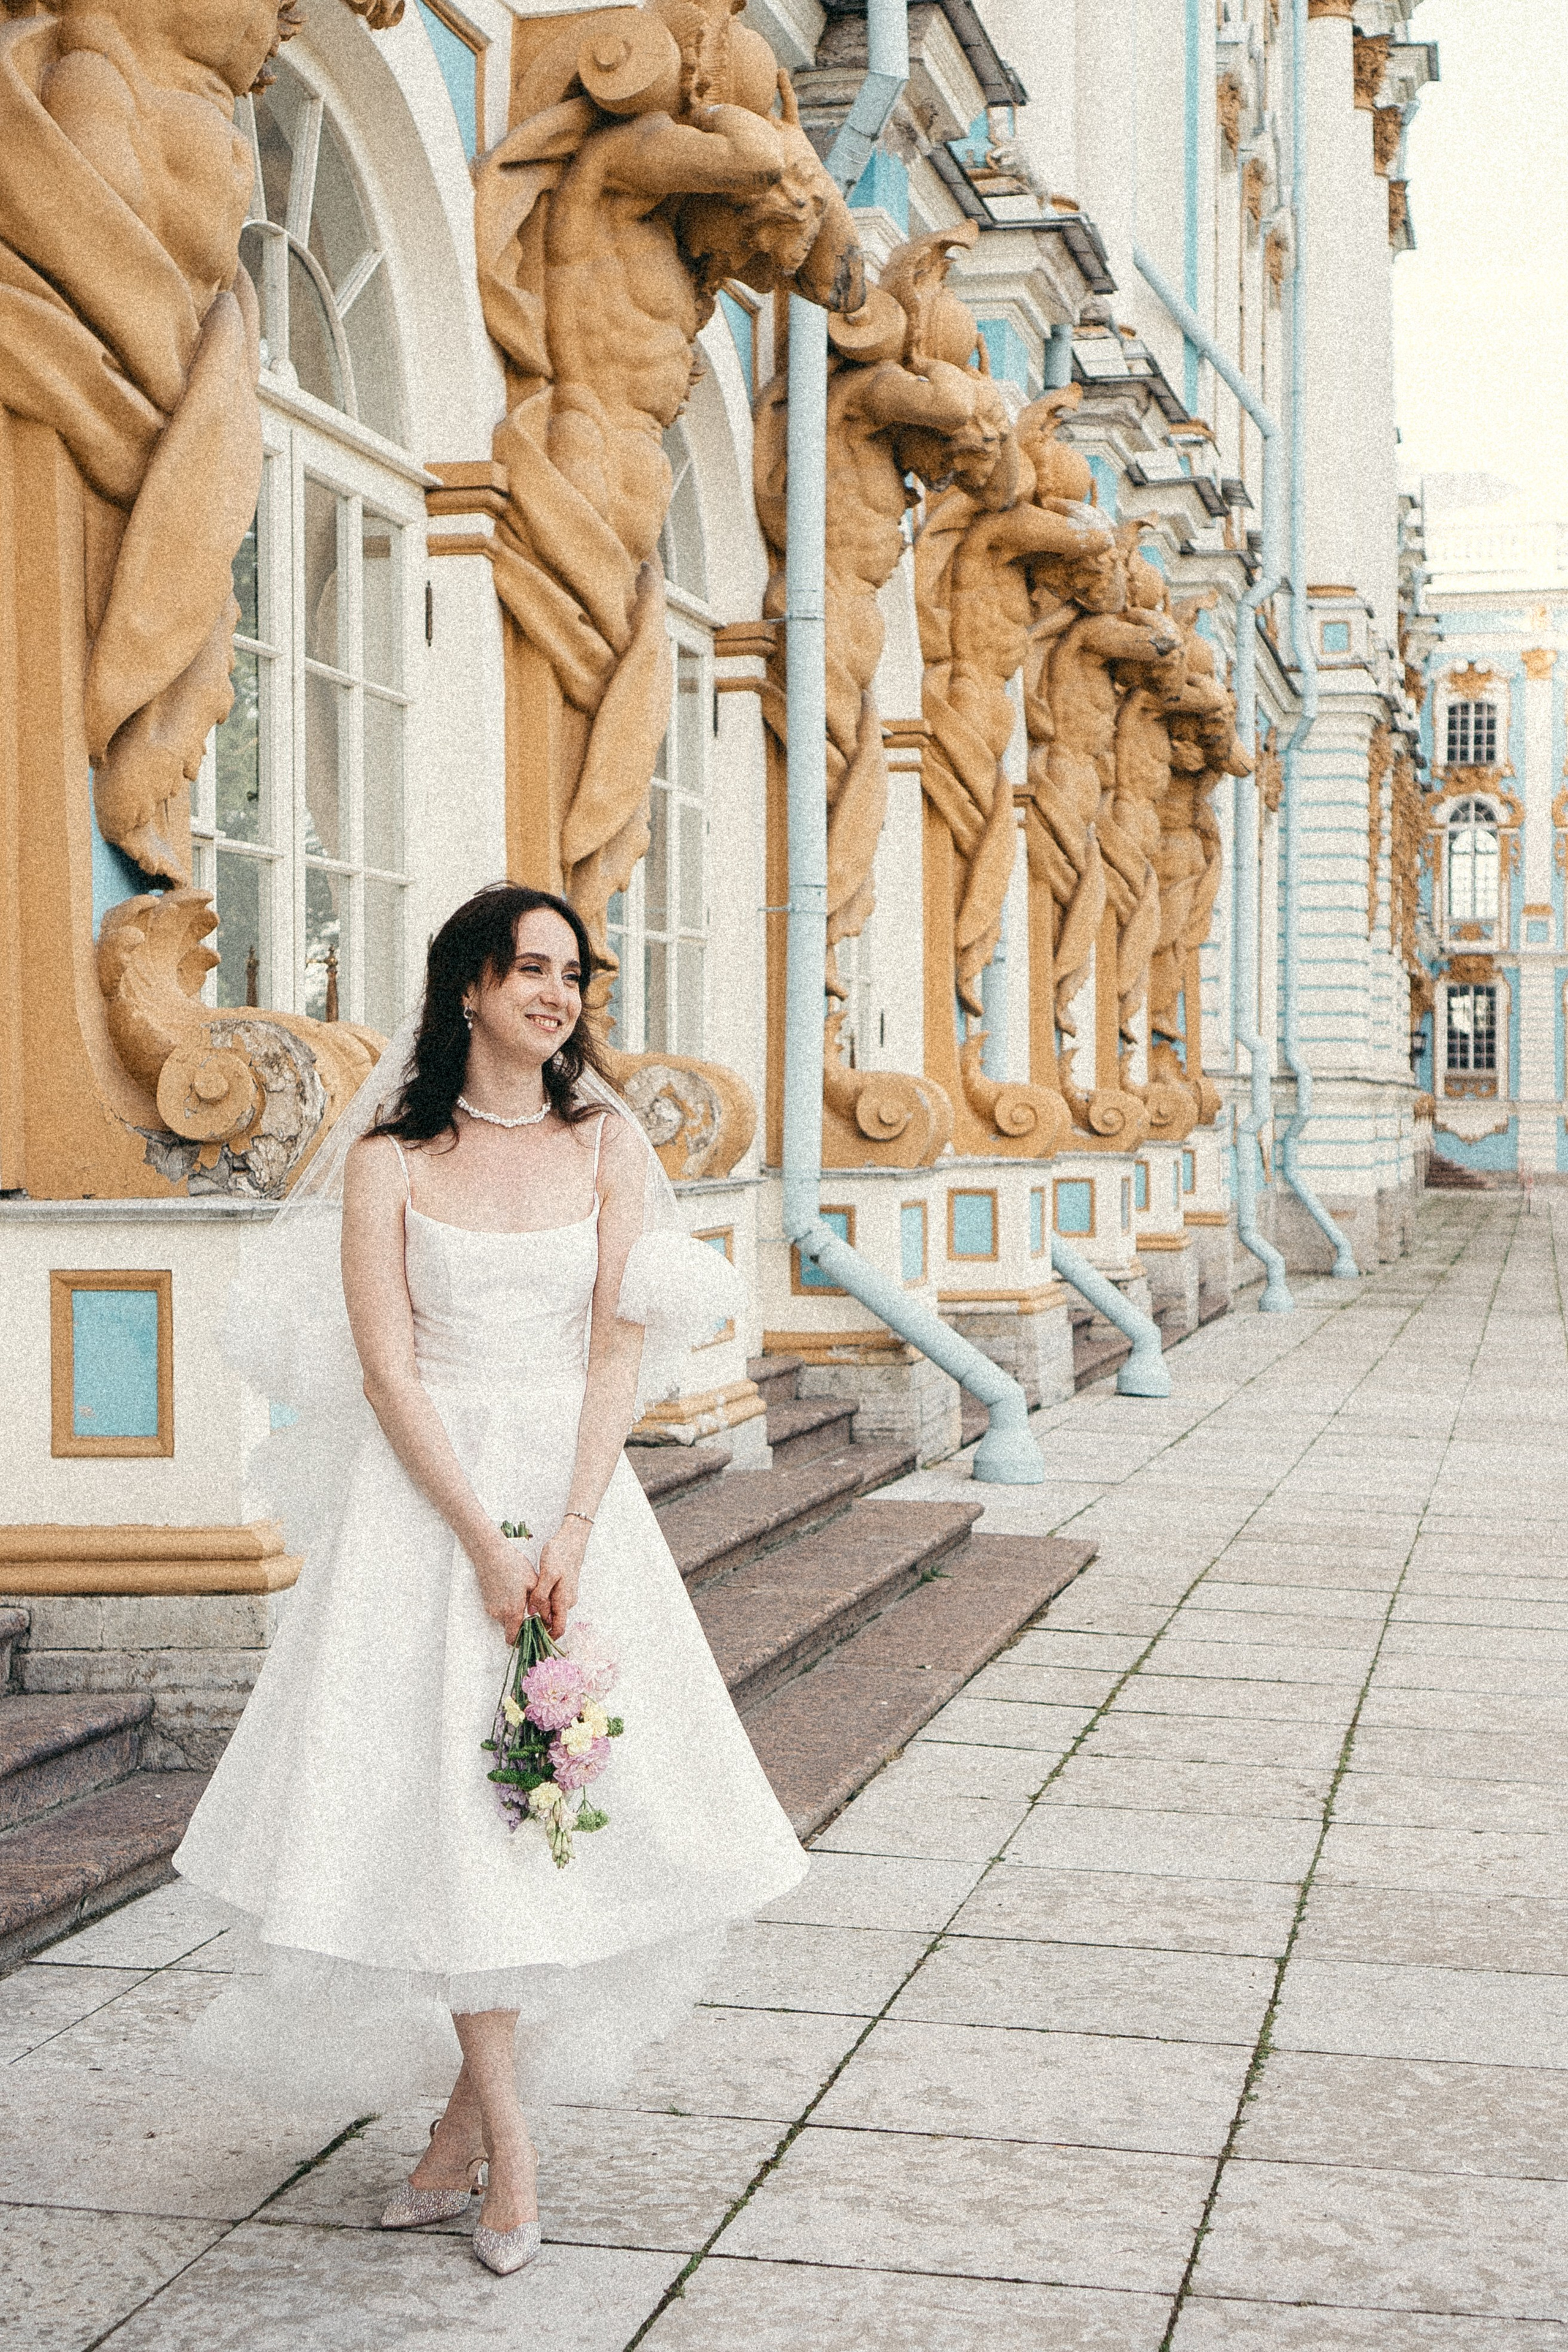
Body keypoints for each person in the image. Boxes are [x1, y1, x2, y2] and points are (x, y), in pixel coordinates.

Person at [174, 882, 809, 2276]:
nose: (557, 993)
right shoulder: (393, 1161)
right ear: (466, 985)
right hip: (429, 1511)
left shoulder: (607, 1143)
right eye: (529, 968)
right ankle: (510, 2149)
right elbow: (391, 1369)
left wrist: (568, 1531)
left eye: (573, 972)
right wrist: (482, 1541)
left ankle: (466, 2126)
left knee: (548, 1813)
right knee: (456, 1818)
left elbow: (612, 1349)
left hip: (580, 1504)